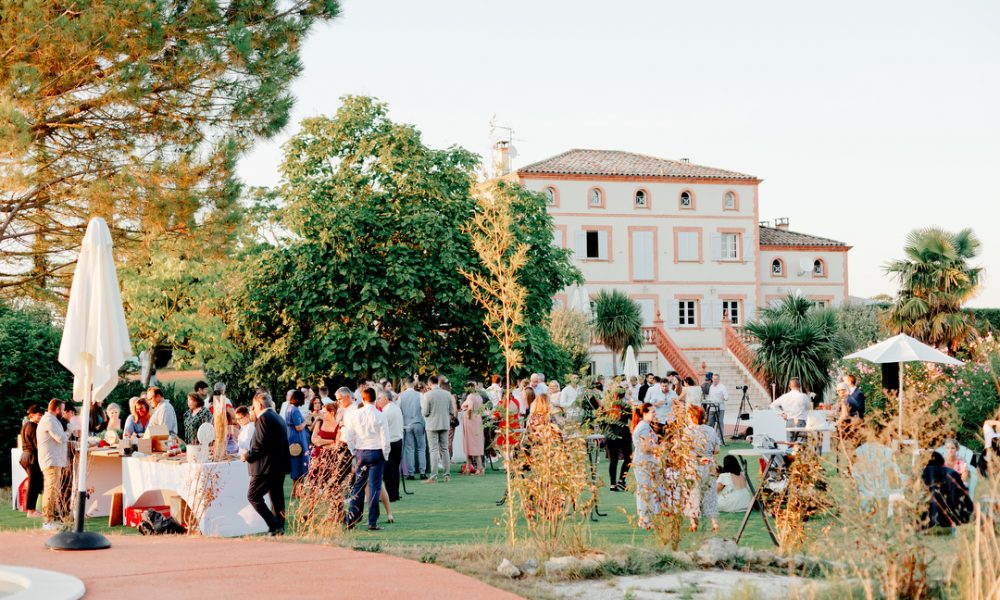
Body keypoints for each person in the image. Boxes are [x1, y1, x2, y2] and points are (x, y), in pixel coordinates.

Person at [243, 391, 290, 535]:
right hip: (278, 466)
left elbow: (260, 445)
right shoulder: (277, 417)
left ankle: (275, 525)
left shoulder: (263, 418)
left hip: (265, 467)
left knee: (253, 496)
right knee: (277, 498)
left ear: (259, 405)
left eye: (253, 406)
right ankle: (279, 528)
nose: (252, 409)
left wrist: (248, 456)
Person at [344, 388, 390, 530]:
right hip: (376, 451)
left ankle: (351, 519)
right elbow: (385, 438)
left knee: (358, 486)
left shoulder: (355, 415)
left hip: (361, 451)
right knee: (374, 487)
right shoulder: (379, 415)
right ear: (375, 399)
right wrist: (385, 454)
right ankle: (372, 522)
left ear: (363, 399)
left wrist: (353, 450)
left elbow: (349, 435)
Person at [685, 405, 721, 532]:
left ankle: (693, 522)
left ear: (691, 416)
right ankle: (714, 522)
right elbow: (717, 449)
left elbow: (686, 451)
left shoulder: (688, 431)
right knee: (710, 493)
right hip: (709, 464)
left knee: (693, 493)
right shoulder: (711, 430)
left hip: (694, 464)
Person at [37, 399, 69, 531]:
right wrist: (69, 431)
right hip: (51, 461)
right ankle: (47, 521)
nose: (63, 411)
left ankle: (50, 519)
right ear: (56, 409)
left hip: (54, 460)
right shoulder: (49, 420)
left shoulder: (52, 420)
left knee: (53, 489)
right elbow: (60, 438)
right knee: (51, 489)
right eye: (62, 409)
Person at [921, 451, 972, 528]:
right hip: (953, 518)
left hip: (931, 519)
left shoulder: (924, 475)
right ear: (942, 463)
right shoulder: (952, 474)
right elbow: (961, 500)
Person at [422, 375, 455, 483]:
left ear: (430, 383)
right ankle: (447, 475)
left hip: (432, 425)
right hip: (444, 424)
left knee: (434, 450)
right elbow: (451, 411)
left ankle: (434, 476)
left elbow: (425, 412)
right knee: (444, 449)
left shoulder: (427, 395)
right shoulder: (447, 394)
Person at [632, 403, 659, 529]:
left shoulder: (646, 426)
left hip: (646, 461)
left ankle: (646, 517)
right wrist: (659, 448)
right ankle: (644, 519)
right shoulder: (643, 427)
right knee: (644, 489)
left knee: (646, 488)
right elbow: (646, 447)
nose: (655, 414)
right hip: (643, 462)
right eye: (652, 412)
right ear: (644, 413)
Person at [603, 386, 633, 492]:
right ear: (624, 395)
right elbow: (632, 418)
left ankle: (612, 484)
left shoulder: (608, 406)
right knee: (628, 458)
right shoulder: (626, 406)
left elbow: (603, 420)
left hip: (611, 435)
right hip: (624, 434)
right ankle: (621, 479)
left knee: (613, 460)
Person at [378, 392, 405, 501]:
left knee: (388, 470)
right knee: (394, 469)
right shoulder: (396, 408)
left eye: (379, 398)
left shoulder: (386, 412)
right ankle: (395, 493)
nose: (378, 400)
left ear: (385, 399)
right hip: (398, 440)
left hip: (390, 442)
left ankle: (391, 495)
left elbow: (382, 429)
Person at [19, 405, 45, 518]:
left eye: (42, 415)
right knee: (33, 484)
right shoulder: (33, 426)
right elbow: (38, 445)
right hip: (31, 458)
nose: (41, 417)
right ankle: (31, 510)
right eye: (39, 415)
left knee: (35, 483)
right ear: (31, 415)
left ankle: (33, 509)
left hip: (25, 457)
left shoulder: (26, 425)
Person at [398, 378, 427, 480]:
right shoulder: (420, 395)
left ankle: (411, 473)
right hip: (418, 422)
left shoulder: (401, 396)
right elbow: (424, 410)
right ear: (414, 383)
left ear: (405, 384)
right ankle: (422, 472)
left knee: (409, 449)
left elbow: (399, 410)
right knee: (421, 448)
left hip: (406, 424)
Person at [285, 390, 309, 490]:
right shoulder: (294, 410)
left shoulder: (288, 408)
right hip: (297, 438)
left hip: (291, 437)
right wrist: (306, 421)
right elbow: (298, 427)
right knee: (299, 464)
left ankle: (296, 490)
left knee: (295, 464)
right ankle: (299, 490)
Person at [461, 384, 485, 476]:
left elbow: (470, 407)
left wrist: (468, 415)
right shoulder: (479, 396)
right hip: (478, 419)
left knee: (470, 443)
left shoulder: (470, 396)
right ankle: (472, 467)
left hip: (470, 421)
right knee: (476, 442)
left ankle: (478, 468)